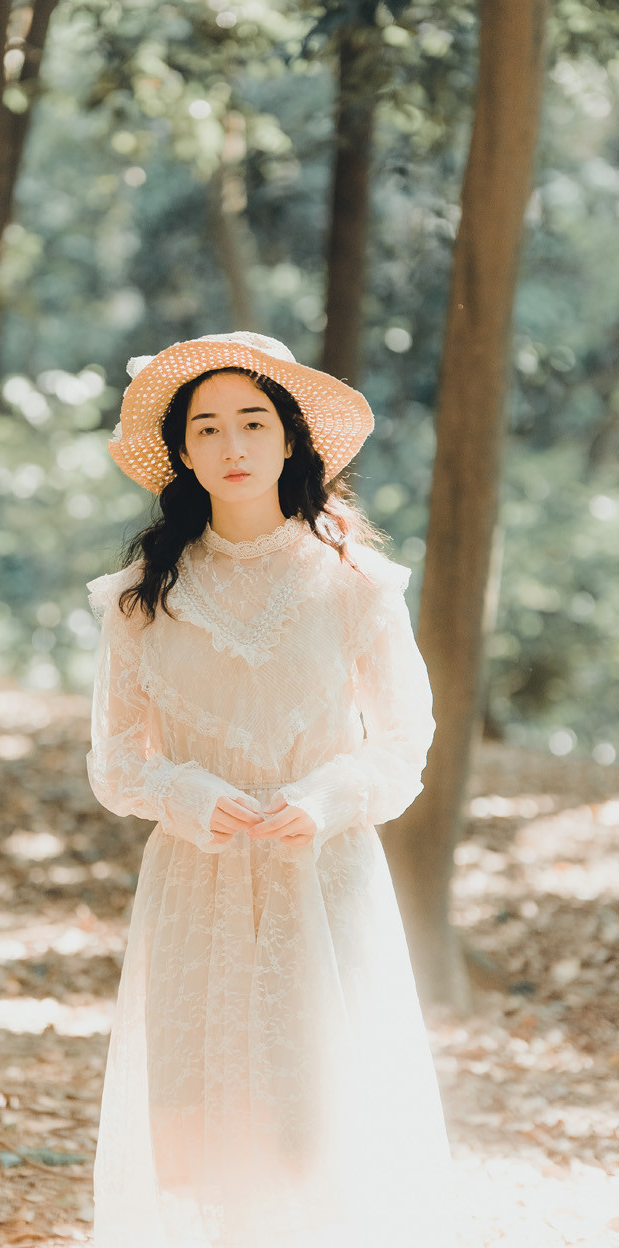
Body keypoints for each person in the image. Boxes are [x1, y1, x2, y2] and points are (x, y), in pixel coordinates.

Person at [86, 332, 455, 1248]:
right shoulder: (142, 597)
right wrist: (188, 793)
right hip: (193, 887)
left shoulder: (355, 584)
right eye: (206, 428)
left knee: (317, 1131)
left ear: (291, 440)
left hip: (322, 880)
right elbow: (115, 760)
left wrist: (328, 797)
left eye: (253, 421)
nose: (232, 444)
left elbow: (404, 738)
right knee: (203, 1139)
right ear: (181, 452)